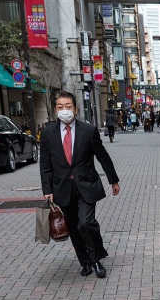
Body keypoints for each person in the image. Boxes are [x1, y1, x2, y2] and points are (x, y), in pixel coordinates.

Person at [40, 91, 120, 279]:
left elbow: (102, 156)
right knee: (74, 227)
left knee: (86, 223)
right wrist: (47, 190)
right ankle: (84, 262)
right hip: (62, 188)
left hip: (87, 185)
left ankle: (96, 260)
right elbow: (45, 164)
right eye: (60, 107)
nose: (64, 110)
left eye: (68, 106)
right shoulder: (48, 133)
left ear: (75, 109)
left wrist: (113, 180)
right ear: (55, 110)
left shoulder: (88, 130)